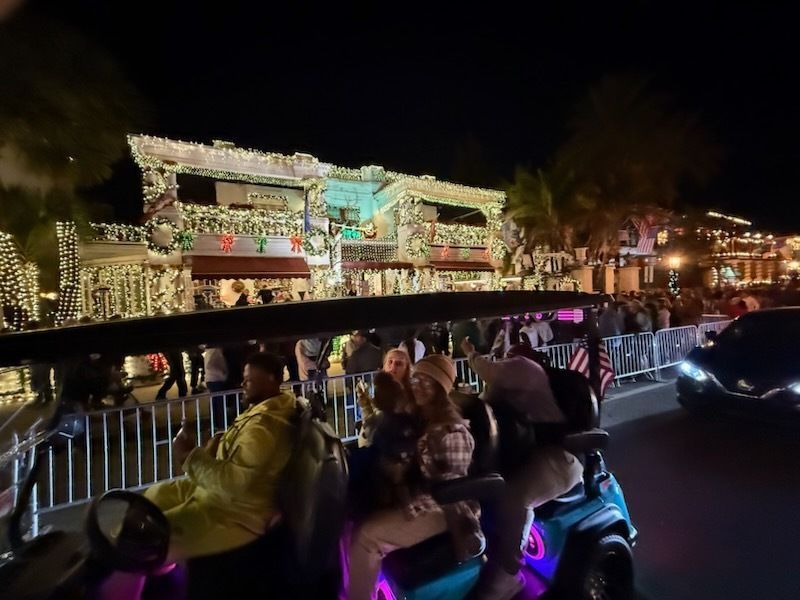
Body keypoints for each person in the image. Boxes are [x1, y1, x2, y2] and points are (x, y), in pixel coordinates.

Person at [346, 355, 483, 600]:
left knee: (367, 537)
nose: (418, 385)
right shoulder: (417, 416)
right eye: (416, 379)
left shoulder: (452, 431)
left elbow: (452, 490)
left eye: (427, 382)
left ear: (441, 389)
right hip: (417, 495)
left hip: (446, 510)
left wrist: (407, 495)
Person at [144, 353, 297, 561]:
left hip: (236, 514)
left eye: (249, 379)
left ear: (271, 380)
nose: (242, 383)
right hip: (222, 498)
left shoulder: (264, 427)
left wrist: (189, 456)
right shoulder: (265, 410)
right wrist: (220, 442)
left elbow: (233, 483)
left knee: (149, 534)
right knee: (155, 495)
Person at [462, 338, 583, 600]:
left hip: (557, 452)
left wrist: (471, 353)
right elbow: (482, 405)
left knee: (514, 498)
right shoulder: (508, 383)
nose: (503, 360)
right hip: (525, 450)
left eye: (507, 357)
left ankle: (508, 573)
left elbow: (490, 370)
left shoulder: (525, 369)